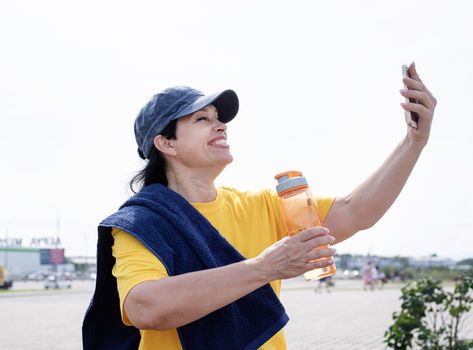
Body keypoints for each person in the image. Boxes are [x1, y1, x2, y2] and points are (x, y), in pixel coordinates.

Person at [83, 62, 436, 349]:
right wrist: (265, 268)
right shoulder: (141, 222)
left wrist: (412, 143)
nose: (221, 125)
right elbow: (145, 307)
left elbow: (356, 213)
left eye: (219, 118)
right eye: (202, 119)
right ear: (166, 143)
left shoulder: (262, 205)